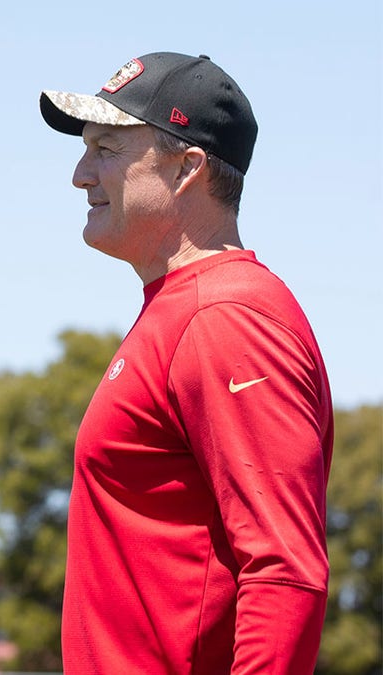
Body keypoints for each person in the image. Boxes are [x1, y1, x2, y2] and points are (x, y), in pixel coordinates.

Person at [39, 53, 333, 673]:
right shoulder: (185, 310)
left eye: (107, 149)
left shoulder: (224, 317)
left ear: (186, 169)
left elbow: (284, 574)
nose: (79, 174)